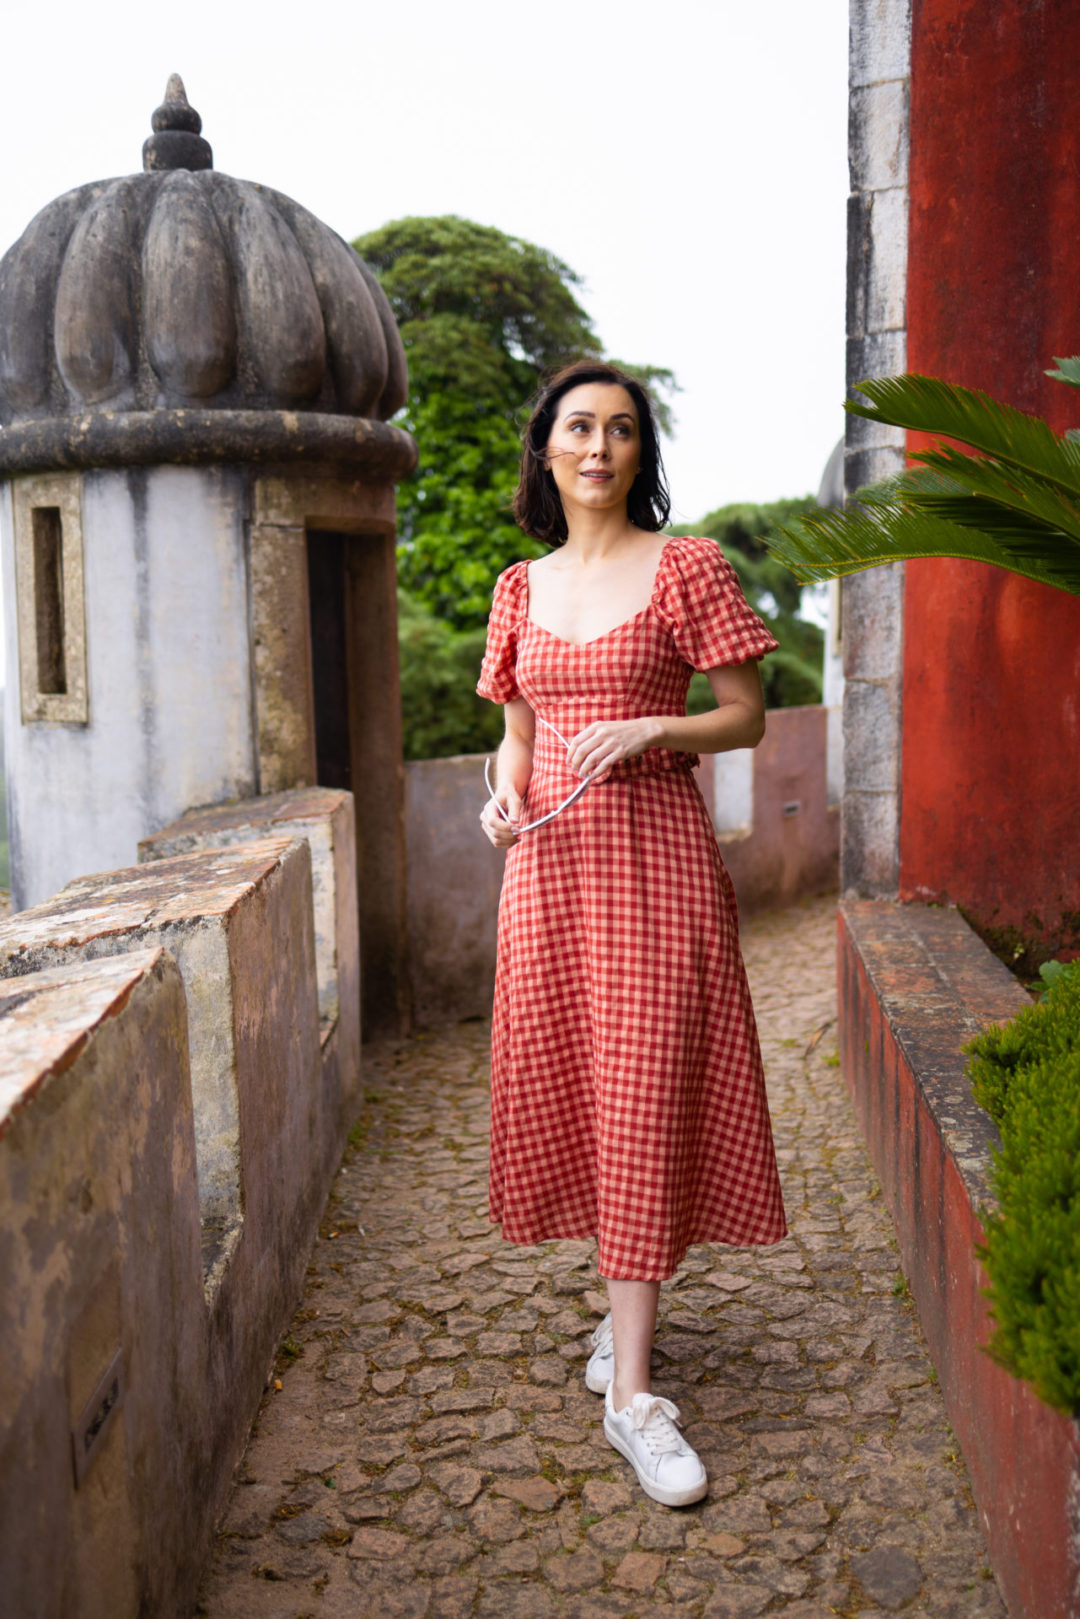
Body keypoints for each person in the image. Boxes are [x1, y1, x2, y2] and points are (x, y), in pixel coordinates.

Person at [477, 360, 786, 1508]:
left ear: (640, 451)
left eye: (620, 428)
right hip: (549, 872)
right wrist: (501, 793)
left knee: (649, 1088)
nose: (599, 446)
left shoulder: (686, 566)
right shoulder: (519, 586)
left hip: (656, 865)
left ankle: (634, 1398)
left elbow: (747, 715)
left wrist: (657, 725)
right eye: (578, 427)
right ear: (546, 450)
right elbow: (518, 734)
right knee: (581, 1087)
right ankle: (627, 1310)